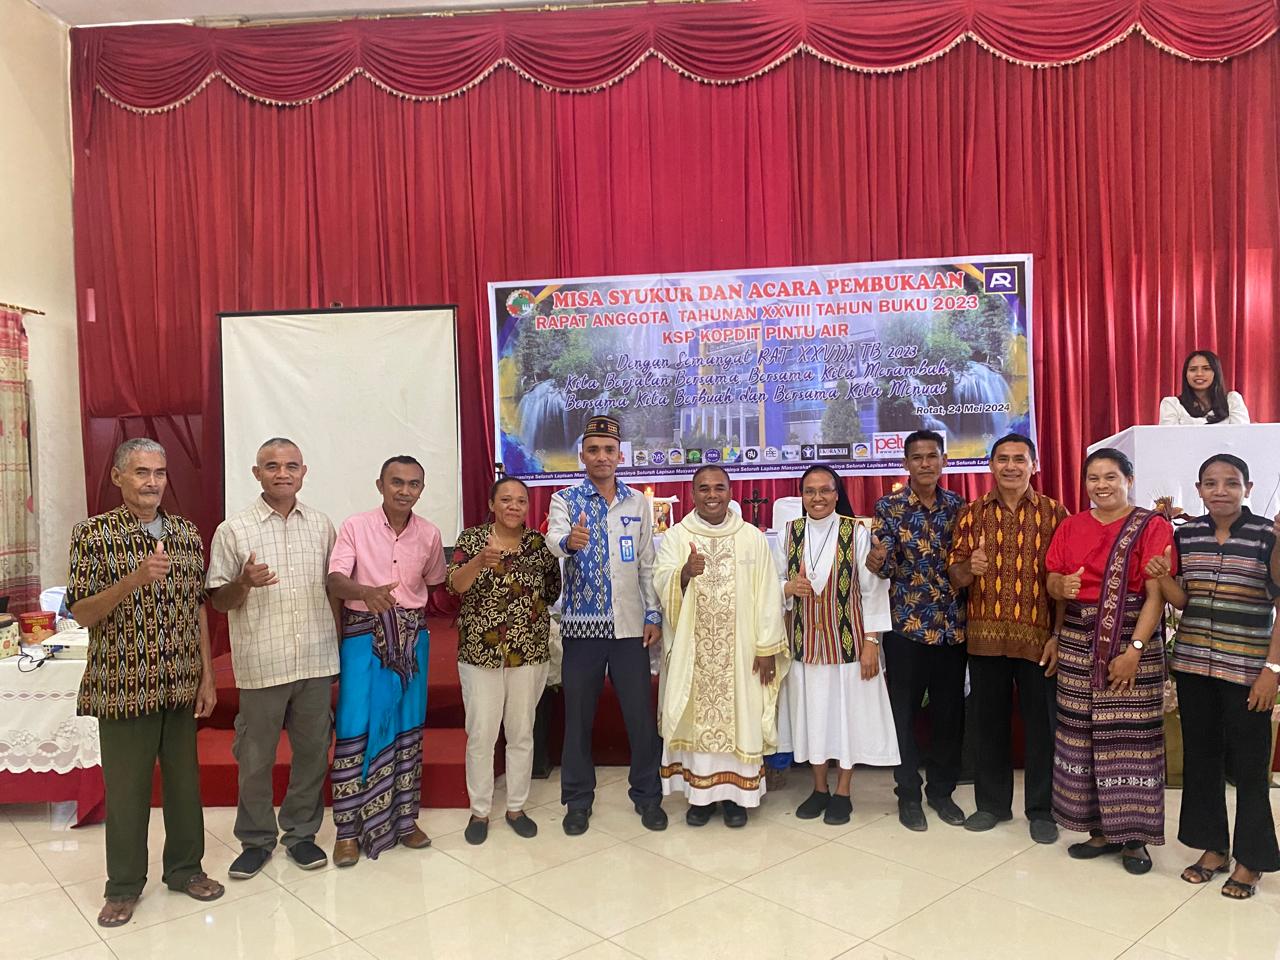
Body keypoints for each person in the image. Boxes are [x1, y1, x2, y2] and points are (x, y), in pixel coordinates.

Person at [67, 438, 222, 927]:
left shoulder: (185, 533)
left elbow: (197, 607)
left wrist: (207, 674)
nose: (152, 482)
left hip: (179, 681)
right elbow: (81, 612)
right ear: (118, 478)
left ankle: (185, 869)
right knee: (128, 791)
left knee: (184, 786)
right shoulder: (92, 534)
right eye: (141, 472)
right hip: (123, 683)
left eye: (159, 472)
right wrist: (134, 579)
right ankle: (123, 886)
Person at [1146, 454, 1279, 898]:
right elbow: (1184, 600)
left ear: (1248, 488)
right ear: (1199, 489)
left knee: (1250, 767)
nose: (1220, 490)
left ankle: (1252, 860)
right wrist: (1163, 578)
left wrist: (1273, 670)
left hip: (1246, 670)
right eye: (1210, 483)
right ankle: (1213, 848)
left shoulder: (1268, 535)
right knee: (1201, 760)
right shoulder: (1188, 535)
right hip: (1193, 667)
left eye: (1231, 482)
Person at [206, 438, 338, 878]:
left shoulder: (322, 526)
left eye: (291, 466)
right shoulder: (234, 530)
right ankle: (256, 840)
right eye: (272, 466)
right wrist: (243, 582)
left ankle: (301, 835)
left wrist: (337, 644)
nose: (282, 473)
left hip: (316, 660)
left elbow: (333, 591)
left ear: (304, 472)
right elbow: (219, 602)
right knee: (255, 760)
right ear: (256, 473)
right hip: (262, 664)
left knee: (313, 754)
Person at [1045, 448, 1172, 875]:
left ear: (1128, 480)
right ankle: (1097, 831)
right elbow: (1053, 578)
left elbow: (1156, 594)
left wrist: (1134, 651)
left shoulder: (1151, 526)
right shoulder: (1071, 526)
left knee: (1131, 742)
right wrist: (1059, 587)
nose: (1101, 485)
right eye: (1093, 478)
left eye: (1110, 477)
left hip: (1132, 640)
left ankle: (1134, 839)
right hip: (1077, 641)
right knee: (1081, 738)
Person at [546, 414, 667, 835]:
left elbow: (648, 562)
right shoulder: (565, 500)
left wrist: (653, 614)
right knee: (578, 719)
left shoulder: (637, 503)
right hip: (582, 629)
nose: (601, 457)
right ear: (582, 455)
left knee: (640, 718)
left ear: (620, 455)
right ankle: (578, 801)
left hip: (630, 628)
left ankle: (648, 796)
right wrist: (569, 542)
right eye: (594, 450)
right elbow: (553, 539)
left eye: (609, 450)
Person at [654, 465, 791, 826]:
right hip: (693, 652)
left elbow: (768, 594)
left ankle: (736, 799)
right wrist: (684, 573)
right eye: (704, 488)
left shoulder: (751, 538)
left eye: (719, 488)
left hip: (742, 652)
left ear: (730, 492)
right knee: (695, 718)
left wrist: (767, 647)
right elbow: (660, 580)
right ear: (692, 493)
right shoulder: (677, 536)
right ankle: (700, 798)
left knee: (742, 718)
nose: (712, 495)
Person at [326, 455, 447, 866]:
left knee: (406, 727)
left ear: (421, 490)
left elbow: (435, 582)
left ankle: (405, 820)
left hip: (411, 645)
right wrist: (366, 592)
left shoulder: (430, 534)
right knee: (354, 727)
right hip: (364, 640)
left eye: (413, 484)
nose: (404, 490)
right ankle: (347, 832)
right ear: (380, 485)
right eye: (396, 482)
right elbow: (335, 580)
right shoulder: (355, 526)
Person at [948, 433, 1067, 843]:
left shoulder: (1055, 513)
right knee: (989, 726)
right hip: (985, 639)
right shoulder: (971, 513)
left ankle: (1042, 810)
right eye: (1003, 459)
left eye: (1019, 459)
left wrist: (1057, 635)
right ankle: (992, 805)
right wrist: (970, 567)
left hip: (1038, 640)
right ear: (991, 465)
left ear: (1034, 465)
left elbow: (1064, 582)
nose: (1011, 466)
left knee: (1042, 728)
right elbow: (954, 576)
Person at [447, 476, 561, 845]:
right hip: (480, 653)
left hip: (528, 653)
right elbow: (455, 585)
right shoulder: (472, 540)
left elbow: (551, 590)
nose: (514, 506)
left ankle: (516, 807)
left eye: (521, 501)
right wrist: (481, 561)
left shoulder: (539, 545)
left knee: (521, 732)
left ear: (528, 507)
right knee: (481, 734)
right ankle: (480, 810)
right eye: (506, 499)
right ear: (492, 505)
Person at [779, 465, 896, 826]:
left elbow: (873, 590)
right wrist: (787, 588)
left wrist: (871, 642)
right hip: (805, 645)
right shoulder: (789, 533)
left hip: (847, 643)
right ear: (802, 496)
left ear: (836, 494)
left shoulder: (856, 533)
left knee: (847, 718)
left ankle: (843, 791)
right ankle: (819, 789)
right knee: (813, 717)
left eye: (825, 490)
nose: (817, 498)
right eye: (810, 491)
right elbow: (774, 581)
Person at [868, 430, 968, 832]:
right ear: (906, 463)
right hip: (906, 626)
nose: (925, 463)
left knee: (948, 714)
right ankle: (908, 793)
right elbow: (885, 565)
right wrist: (877, 561)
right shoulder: (889, 506)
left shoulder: (959, 506)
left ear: (943, 460)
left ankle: (942, 792)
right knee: (903, 714)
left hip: (951, 627)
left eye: (932, 456)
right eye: (917, 457)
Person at [1158, 350, 1250, 425]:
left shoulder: (1232, 401)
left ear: (1216, 373)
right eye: (1193, 369)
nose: (1199, 374)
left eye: (1206, 369)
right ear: (1185, 375)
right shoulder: (1172, 404)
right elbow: (1170, 439)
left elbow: (1241, 435)